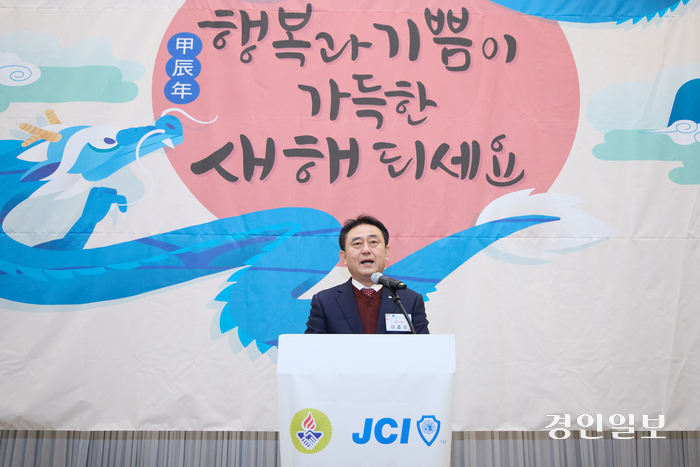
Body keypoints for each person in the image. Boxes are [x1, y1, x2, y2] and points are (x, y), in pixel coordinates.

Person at [305, 215, 429, 334]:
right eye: (357, 244)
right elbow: (311, 347)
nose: (366, 250)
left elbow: (424, 346)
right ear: (344, 257)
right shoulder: (325, 302)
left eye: (373, 242)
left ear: (386, 252)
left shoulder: (410, 301)